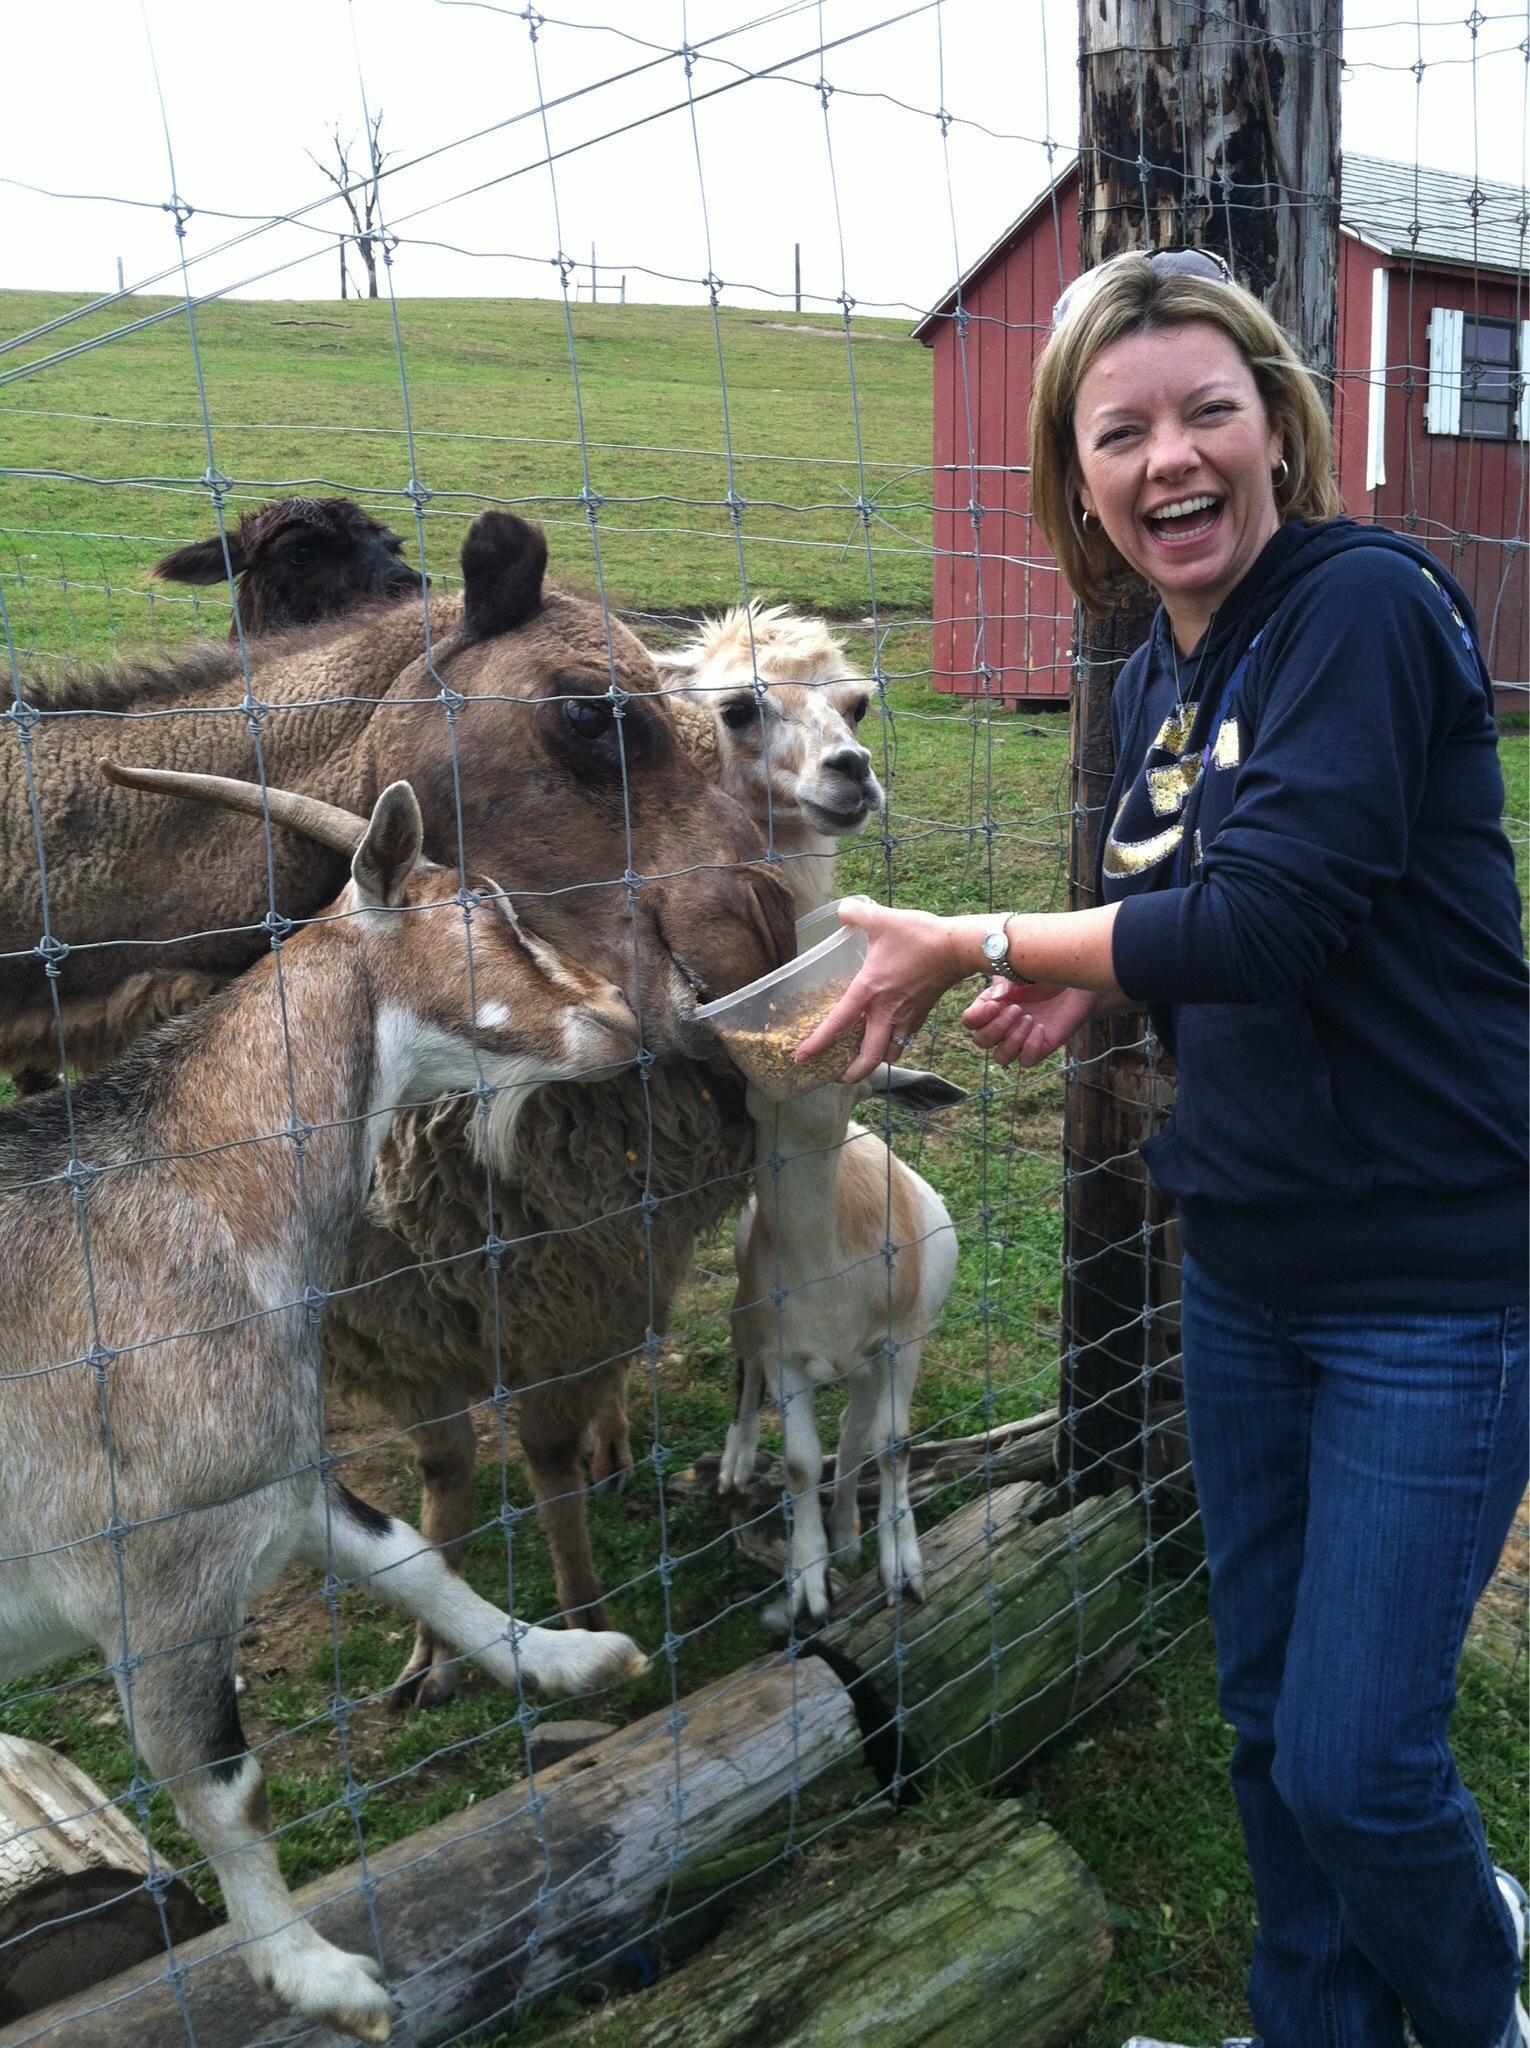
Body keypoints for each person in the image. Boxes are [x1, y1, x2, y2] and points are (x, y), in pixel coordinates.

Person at [796, 249, 1529, 2048]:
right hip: (1249, 1265)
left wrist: (982, 942)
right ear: (1076, 473)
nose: (1167, 458)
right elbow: (1206, 917)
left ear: (1279, 424)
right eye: (1118, 431)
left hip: (1429, 1278)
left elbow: (1275, 916)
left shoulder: (1357, 606)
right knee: (1271, 1720)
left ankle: (1478, 1999)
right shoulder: (1149, 669)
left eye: (1207, 410)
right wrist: (1099, 999)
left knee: (1359, 1763)